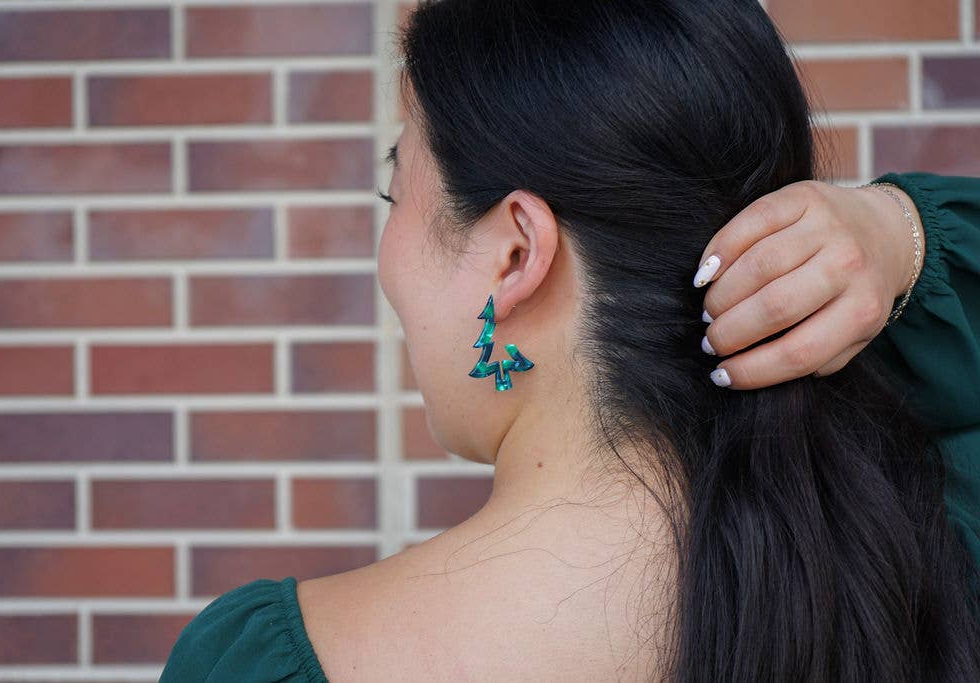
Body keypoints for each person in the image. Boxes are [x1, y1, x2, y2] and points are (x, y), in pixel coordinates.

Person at [159, 1, 980, 681]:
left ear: (517, 254)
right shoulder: (922, 557)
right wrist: (903, 233)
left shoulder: (262, 662)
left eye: (393, 189)